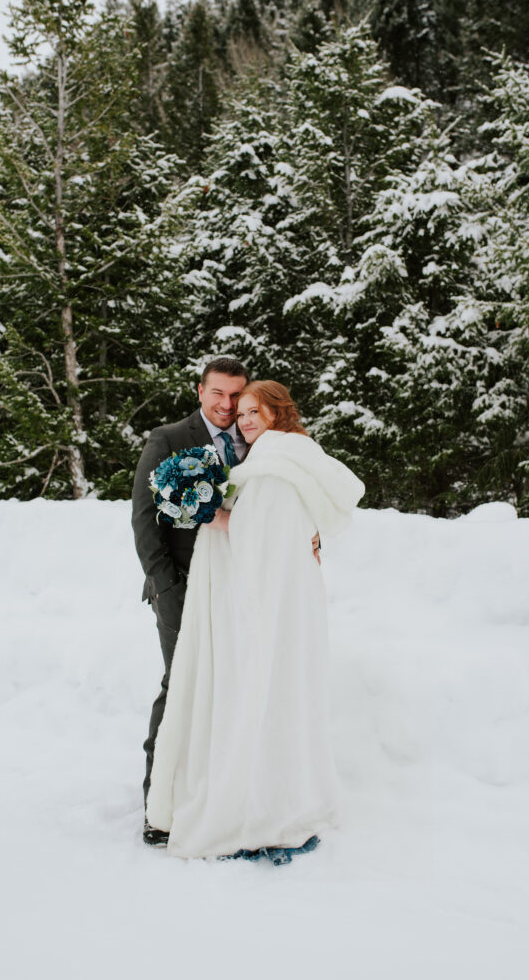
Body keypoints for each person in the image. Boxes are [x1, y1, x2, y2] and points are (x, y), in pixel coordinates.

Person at [146, 381, 365, 860]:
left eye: (252, 410)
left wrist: (209, 514)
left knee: (254, 695)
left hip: (265, 604)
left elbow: (265, 534)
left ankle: (261, 806)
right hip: (249, 597)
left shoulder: (274, 461)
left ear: (276, 411)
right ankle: (186, 798)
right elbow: (282, 528)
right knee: (241, 691)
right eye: (239, 411)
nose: (242, 418)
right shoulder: (279, 455)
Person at [131, 356, 249, 845]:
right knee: (180, 684)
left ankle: (215, 793)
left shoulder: (258, 441)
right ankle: (157, 803)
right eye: (218, 393)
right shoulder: (168, 439)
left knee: (232, 688)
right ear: (200, 391)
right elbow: (144, 521)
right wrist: (167, 590)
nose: (227, 405)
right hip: (181, 586)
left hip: (241, 587)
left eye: (236, 395)